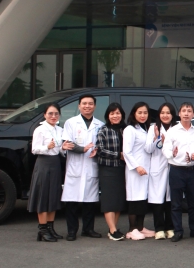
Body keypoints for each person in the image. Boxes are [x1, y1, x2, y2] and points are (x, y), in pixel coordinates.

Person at [61, 94, 104, 241]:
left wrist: (97, 149)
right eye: (84, 103)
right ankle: (72, 231)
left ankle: (88, 229)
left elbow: (101, 144)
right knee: (71, 202)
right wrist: (82, 149)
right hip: (75, 167)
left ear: (95, 106)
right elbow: (67, 143)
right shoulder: (71, 123)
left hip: (91, 166)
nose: (87, 106)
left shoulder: (100, 125)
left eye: (90, 104)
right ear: (79, 106)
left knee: (90, 202)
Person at [29, 103, 74, 242]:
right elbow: (34, 149)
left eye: (56, 114)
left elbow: (59, 149)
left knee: (53, 196)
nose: (53, 116)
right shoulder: (40, 130)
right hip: (44, 163)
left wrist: (63, 147)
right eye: (50, 113)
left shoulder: (60, 130)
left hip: (55, 163)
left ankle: (50, 227)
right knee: (43, 196)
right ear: (45, 115)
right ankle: (42, 229)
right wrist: (47, 147)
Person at [163, 102, 194, 242]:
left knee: (193, 202)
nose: (186, 113)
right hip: (176, 170)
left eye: (189, 111)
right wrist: (172, 154)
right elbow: (165, 149)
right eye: (184, 111)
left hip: (192, 170)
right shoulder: (172, 131)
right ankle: (178, 231)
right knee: (176, 203)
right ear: (179, 113)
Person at [96, 103, 128, 241]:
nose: (115, 116)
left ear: (122, 115)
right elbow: (100, 149)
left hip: (123, 168)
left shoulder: (126, 129)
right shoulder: (103, 130)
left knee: (118, 200)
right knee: (109, 200)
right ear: (108, 116)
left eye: (118, 113)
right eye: (112, 113)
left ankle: (113, 228)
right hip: (108, 168)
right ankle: (113, 229)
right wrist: (118, 155)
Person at [123, 102, 153, 240]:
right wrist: (137, 167)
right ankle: (132, 229)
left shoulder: (146, 129)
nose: (142, 115)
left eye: (145, 113)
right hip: (135, 170)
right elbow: (127, 152)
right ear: (134, 114)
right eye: (140, 112)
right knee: (134, 199)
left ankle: (140, 227)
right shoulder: (130, 129)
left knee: (142, 199)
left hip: (146, 170)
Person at [145, 102, 175, 239]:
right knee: (157, 200)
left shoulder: (177, 128)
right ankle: (159, 229)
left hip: (173, 166)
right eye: (162, 113)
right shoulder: (153, 128)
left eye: (168, 113)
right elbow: (148, 149)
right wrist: (157, 139)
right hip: (158, 167)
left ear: (172, 114)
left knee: (171, 199)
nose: (165, 115)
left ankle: (170, 227)